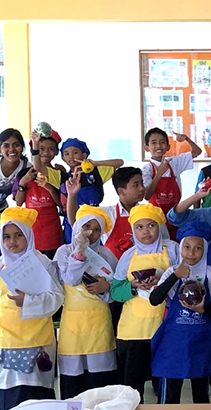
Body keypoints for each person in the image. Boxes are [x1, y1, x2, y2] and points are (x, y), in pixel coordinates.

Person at [149, 222, 211, 404]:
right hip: (173, 343)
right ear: (181, 247)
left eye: (198, 248)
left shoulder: (210, 274)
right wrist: (176, 275)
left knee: (200, 395)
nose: (191, 253)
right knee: (169, 395)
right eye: (187, 247)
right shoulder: (172, 272)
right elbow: (154, 299)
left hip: (201, 342)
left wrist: (203, 309)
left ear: (205, 249)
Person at [110, 203, 180, 402]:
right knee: (132, 388)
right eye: (139, 227)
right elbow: (115, 292)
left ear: (160, 226)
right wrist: (133, 286)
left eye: (151, 225)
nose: (145, 231)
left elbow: (184, 277)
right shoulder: (127, 256)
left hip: (164, 326)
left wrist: (164, 282)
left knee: (166, 386)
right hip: (133, 330)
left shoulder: (173, 249)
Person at [0, 208, 63, 409]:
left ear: (29, 235)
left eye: (19, 235)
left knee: (31, 396)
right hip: (5, 343)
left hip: (36, 344)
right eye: (7, 236)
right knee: (8, 394)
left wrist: (27, 301)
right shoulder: (1, 265)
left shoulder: (43, 263)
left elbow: (57, 298)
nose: (13, 241)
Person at [53, 205, 118, 399]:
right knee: (73, 383)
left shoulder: (107, 254)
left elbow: (116, 288)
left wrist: (106, 288)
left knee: (100, 384)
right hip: (72, 325)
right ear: (78, 227)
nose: (91, 233)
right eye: (87, 227)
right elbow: (70, 279)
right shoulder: (64, 252)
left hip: (99, 323)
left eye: (97, 229)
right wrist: (80, 253)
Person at [33, 134, 123, 243]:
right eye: (66, 154)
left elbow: (120, 162)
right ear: (62, 158)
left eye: (75, 152)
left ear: (84, 155)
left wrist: (95, 163)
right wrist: (35, 146)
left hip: (93, 223)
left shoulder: (96, 173)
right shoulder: (61, 177)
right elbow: (38, 167)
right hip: (71, 224)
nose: (71, 156)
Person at [142, 127, 202, 239]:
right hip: (156, 218)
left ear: (168, 147)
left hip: (176, 215)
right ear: (146, 148)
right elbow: (147, 195)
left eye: (162, 142)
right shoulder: (147, 169)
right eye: (153, 143)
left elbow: (197, 152)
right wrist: (158, 174)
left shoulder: (174, 162)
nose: (159, 146)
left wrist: (187, 139)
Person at [14, 129, 63, 258]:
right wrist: (23, 183)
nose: (46, 153)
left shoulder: (58, 174)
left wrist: (50, 189)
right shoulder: (23, 174)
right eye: (41, 149)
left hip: (52, 231)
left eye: (51, 149)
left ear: (57, 152)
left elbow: (61, 204)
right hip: (31, 230)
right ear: (34, 149)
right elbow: (18, 202)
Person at [0, 129, 31, 217]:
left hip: (5, 212)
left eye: (16, 145)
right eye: (6, 146)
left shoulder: (27, 168)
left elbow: (19, 202)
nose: (12, 149)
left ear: (22, 147)